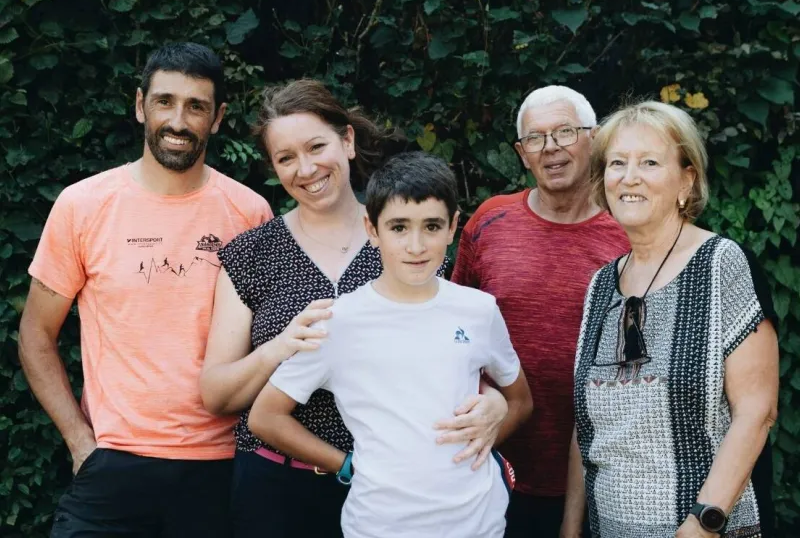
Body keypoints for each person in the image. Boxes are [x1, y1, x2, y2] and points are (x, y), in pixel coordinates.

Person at [199, 80, 511, 538]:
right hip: (279, 485)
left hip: (399, 494)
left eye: (316, 147)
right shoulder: (252, 254)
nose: (306, 168)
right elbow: (216, 396)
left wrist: (497, 404)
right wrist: (280, 347)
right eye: (286, 158)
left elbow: (459, 353)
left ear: (347, 141)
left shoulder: (406, 236)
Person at [18, 43, 272, 538]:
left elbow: (266, 344)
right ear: (140, 105)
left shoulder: (249, 213)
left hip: (218, 468)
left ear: (218, 118)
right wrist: (79, 441)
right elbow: (35, 333)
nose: (178, 121)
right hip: (113, 463)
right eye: (164, 102)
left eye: (196, 106)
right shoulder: (83, 205)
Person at [248, 151, 534, 538]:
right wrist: (345, 464)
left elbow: (520, 402)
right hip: (379, 525)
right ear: (372, 228)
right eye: (399, 227)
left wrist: (486, 435)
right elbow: (265, 416)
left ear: (453, 227)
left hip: (477, 523)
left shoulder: (479, 310)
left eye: (431, 226)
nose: (416, 245)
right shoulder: (339, 321)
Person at [564, 101, 779, 538]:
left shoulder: (721, 265)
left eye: (649, 162)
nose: (630, 177)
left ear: (686, 180)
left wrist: (702, 523)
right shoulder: (601, 285)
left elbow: (757, 411)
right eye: (617, 163)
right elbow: (587, 427)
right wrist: (570, 527)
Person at [451, 85, 630, 537]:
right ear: (522, 153)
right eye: (535, 138)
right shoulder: (490, 221)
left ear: (594, 138)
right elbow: (452, 330)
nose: (550, 147)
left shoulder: (629, 234)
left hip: (601, 474)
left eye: (564, 132)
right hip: (491, 463)